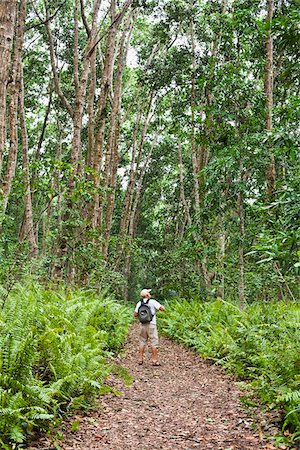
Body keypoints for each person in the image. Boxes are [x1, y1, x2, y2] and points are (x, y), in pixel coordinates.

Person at [134, 288, 165, 366]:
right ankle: (154, 360)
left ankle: (140, 359)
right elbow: (162, 308)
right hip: (152, 324)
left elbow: (135, 314)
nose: (150, 294)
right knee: (154, 341)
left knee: (142, 341)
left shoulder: (139, 303)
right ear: (147, 295)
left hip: (142, 325)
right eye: (149, 293)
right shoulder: (152, 302)